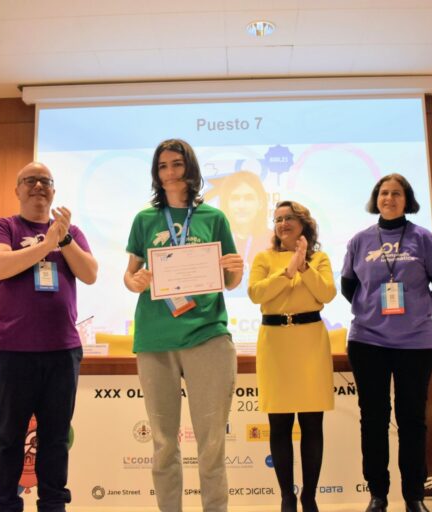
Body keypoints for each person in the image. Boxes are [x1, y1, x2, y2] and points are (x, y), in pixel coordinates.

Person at [123, 139, 244, 512]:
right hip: (155, 338)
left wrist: (236, 271)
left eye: (176, 164)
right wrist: (136, 281)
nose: (170, 172)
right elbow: (129, 276)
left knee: (211, 445)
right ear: (156, 174)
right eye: (162, 166)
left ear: (190, 168)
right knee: (163, 444)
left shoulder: (214, 218)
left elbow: (230, 281)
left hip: (208, 335)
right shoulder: (145, 220)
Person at [0, 162, 98, 512]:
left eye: (45, 181)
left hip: (62, 351)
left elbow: (90, 273)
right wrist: (46, 245)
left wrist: (63, 239)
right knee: (9, 435)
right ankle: (5, 504)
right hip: (13, 349)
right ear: (17, 189)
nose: (38, 186)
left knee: (56, 436)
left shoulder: (71, 232)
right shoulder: (3, 227)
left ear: (54, 191)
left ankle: (53, 504)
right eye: (30, 180)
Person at [340, 173, 432, 512]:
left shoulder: (423, 238)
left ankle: (414, 496)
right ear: (376, 199)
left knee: (412, 420)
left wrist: (421, 310)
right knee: (373, 419)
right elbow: (348, 286)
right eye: (384, 193)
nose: (389, 198)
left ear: (407, 200)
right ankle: (378, 494)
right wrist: (370, 311)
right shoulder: (360, 240)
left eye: (396, 193)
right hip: (368, 342)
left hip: (416, 344)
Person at [247, 200, 336, 512]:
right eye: (277, 219)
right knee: (280, 424)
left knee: (312, 424)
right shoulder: (263, 257)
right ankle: (287, 497)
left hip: (311, 342)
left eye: (288, 218)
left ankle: (309, 497)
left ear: (303, 224)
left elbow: (326, 293)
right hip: (275, 344)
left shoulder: (319, 259)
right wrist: (287, 271)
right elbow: (256, 294)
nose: (282, 224)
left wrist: (304, 265)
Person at [205, 171, 273, 272]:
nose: (241, 206)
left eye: (249, 198)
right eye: (235, 198)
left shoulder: (274, 240)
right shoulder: (212, 240)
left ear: (261, 203)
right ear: (226, 204)